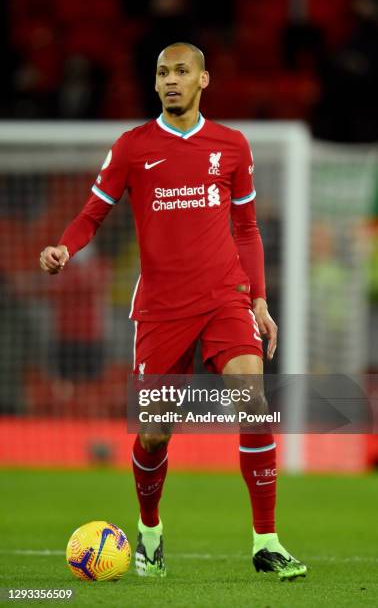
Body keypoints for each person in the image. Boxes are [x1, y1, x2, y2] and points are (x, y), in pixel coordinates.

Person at [40, 42, 307, 581]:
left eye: (182, 72)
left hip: (224, 298)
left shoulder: (231, 145)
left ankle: (267, 541)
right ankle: (150, 531)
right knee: (158, 431)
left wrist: (258, 299)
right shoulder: (133, 146)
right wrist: (65, 247)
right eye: (162, 72)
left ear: (204, 79)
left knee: (252, 399)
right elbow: (93, 214)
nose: (170, 80)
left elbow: (248, 228)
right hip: (162, 309)